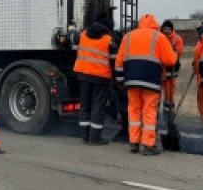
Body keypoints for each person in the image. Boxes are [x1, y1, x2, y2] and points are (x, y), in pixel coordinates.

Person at [115, 14, 177, 156]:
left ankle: (134, 142)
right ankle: (149, 145)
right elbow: (170, 60)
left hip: (131, 81)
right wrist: (173, 53)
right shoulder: (159, 37)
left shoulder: (128, 37)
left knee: (134, 110)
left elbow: (119, 61)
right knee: (149, 111)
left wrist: (119, 80)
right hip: (151, 81)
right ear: (154, 24)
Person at [73, 16, 115, 145]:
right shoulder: (108, 40)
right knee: (98, 107)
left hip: (83, 75)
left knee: (85, 106)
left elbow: (73, 42)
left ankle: (85, 136)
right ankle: (94, 138)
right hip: (100, 77)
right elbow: (113, 60)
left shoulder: (83, 35)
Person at [159, 20, 184, 128]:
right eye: (165, 29)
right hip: (160, 72)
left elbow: (177, 55)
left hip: (171, 73)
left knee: (169, 99)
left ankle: (169, 120)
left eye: (169, 29)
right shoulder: (158, 37)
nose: (167, 31)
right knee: (155, 97)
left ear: (172, 29)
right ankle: (153, 119)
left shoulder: (177, 39)